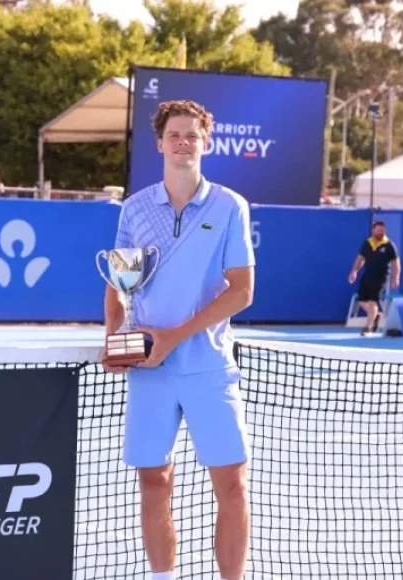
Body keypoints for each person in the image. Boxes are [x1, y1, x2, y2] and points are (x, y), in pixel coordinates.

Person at [102, 100, 255, 580]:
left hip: (209, 369)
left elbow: (242, 292)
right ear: (160, 144)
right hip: (151, 373)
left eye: (192, 134)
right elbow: (118, 285)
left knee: (230, 485)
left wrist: (173, 337)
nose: (183, 142)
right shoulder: (135, 209)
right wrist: (115, 339)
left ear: (205, 142)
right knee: (154, 482)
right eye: (175, 135)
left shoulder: (230, 206)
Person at [348, 221, 400, 336]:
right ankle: (375, 315)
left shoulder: (389, 245)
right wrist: (354, 271)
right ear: (373, 230)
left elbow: (396, 262)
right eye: (379, 230)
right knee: (362, 300)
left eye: (383, 230)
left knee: (373, 300)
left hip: (381, 277)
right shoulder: (367, 243)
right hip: (368, 275)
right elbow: (360, 259)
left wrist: (396, 277)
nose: (381, 232)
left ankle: (368, 327)